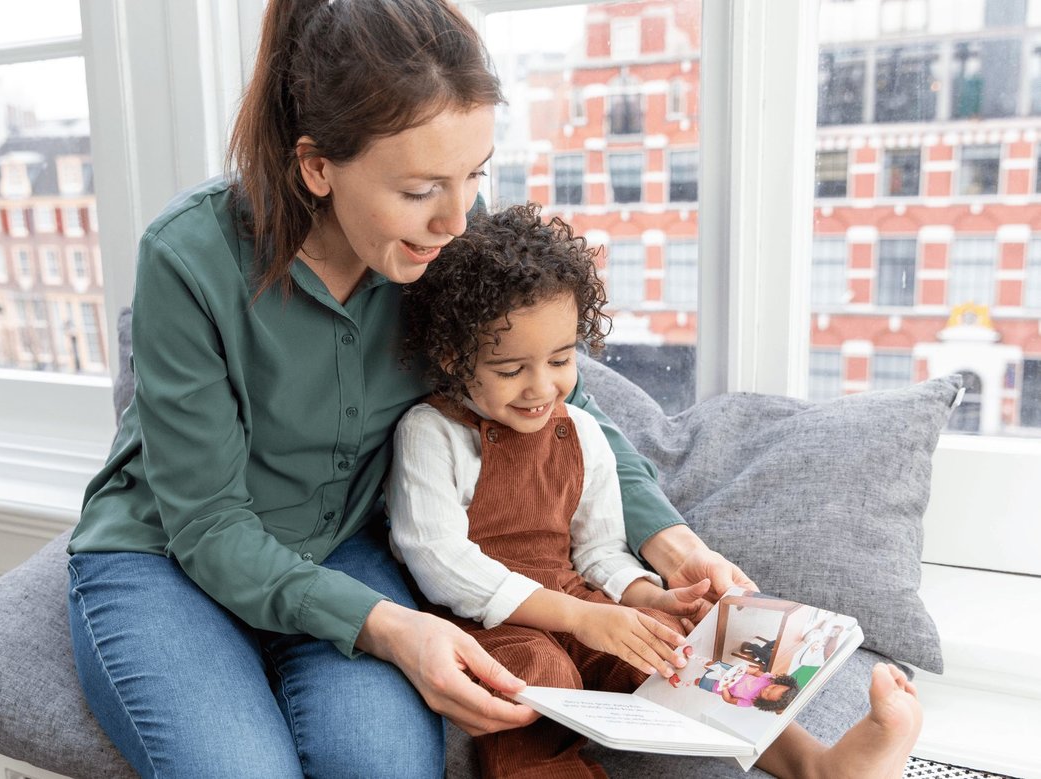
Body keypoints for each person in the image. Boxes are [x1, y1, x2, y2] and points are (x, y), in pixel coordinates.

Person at [64, 0, 918, 777]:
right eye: (418, 189)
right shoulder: (189, 256)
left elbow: (559, 410)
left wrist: (670, 540)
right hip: (167, 557)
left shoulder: (444, 247)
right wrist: (397, 625)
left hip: (343, 545)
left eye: (473, 175)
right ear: (317, 166)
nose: (455, 216)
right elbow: (209, 524)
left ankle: (812, 765)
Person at [388, 204, 923, 778]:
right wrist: (578, 617)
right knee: (540, 678)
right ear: (453, 357)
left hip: (580, 603)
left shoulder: (583, 431)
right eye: (511, 368)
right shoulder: (431, 432)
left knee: (679, 653)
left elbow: (597, 551)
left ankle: (814, 764)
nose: (542, 386)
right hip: (487, 623)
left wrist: (648, 599)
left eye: (561, 359)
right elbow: (440, 561)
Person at [699, 661, 799, 712]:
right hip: (730, 672)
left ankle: (696, 681)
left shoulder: (750, 702)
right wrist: (746, 668)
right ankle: (697, 659)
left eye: (768, 694)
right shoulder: (769, 679)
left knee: (700, 681)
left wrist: (724, 687)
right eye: (773, 687)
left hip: (717, 686)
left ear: (767, 703)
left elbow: (729, 699)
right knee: (710, 665)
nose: (767, 689)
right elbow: (755, 671)